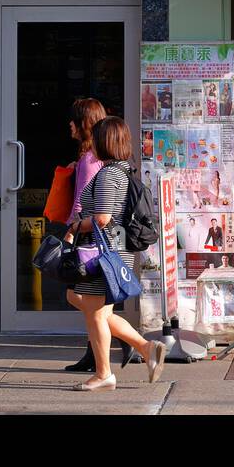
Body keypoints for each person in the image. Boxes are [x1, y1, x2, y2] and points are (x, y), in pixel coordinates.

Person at [66, 116, 168, 391]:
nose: (92, 145)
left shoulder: (110, 174)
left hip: (105, 251)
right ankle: (147, 349)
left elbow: (102, 217)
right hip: (111, 250)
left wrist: (75, 226)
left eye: (96, 139)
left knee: (97, 313)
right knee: (87, 304)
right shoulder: (121, 170)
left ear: (105, 142)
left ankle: (104, 374)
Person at [62, 98, 118, 374]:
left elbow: (82, 203)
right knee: (94, 302)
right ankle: (95, 353)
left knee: (78, 296)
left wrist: (70, 230)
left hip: (89, 234)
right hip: (104, 236)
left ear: (84, 124)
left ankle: (131, 343)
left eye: (73, 120)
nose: (69, 125)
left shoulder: (88, 160)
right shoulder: (98, 159)